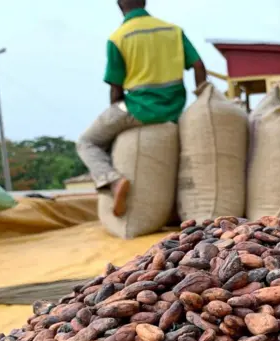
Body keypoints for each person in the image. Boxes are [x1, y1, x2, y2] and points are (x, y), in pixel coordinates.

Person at [76, 0, 206, 217]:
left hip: (137, 109)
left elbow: (116, 90)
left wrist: (115, 116)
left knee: (87, 142)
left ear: (119, 5)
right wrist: (201, 100)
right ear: (144, 1)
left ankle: (112, 180)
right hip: (174, 108)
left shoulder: (119, 37)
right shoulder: (172, 30)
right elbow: (199, 66)